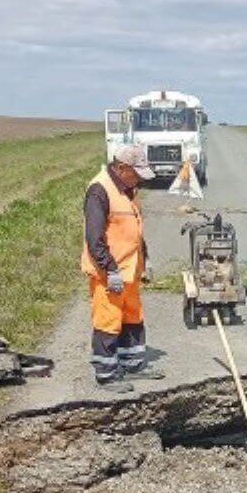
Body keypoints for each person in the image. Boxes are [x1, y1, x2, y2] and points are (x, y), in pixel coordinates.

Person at [82, 144, 165, 393]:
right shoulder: (100, 190)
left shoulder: (128, 189)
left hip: (130, 269)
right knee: (108, 320)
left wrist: (145, 259)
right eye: (136, 173)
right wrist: (110, 270)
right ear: (121, 168)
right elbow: (94, 237)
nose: (140, 178)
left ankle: (133, 364)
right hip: (110, 272)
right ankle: (106, 374)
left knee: (132, 316)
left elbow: (134, 229)